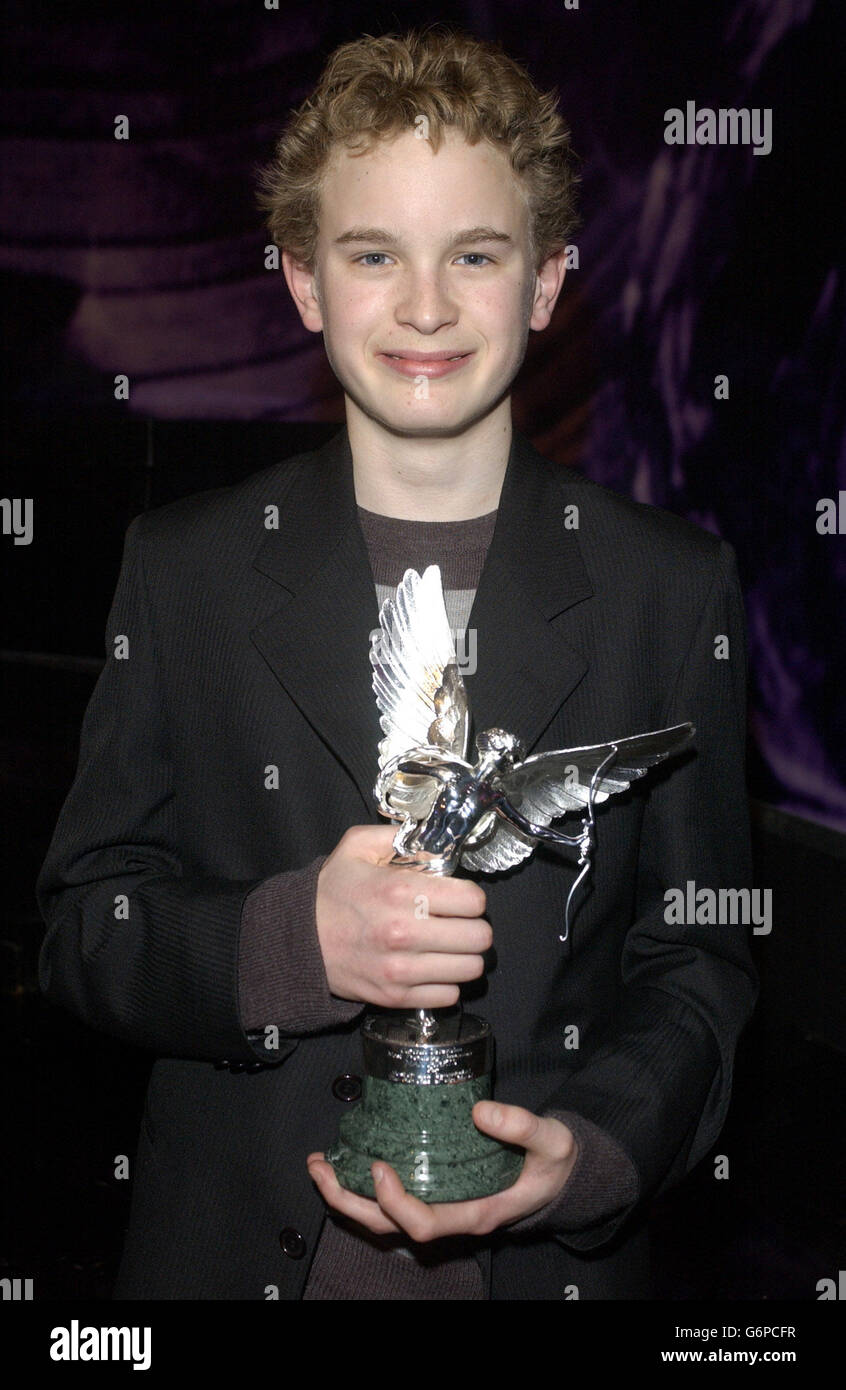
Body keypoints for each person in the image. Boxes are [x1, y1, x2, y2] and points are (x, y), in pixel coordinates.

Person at [36, 28, 757, 1300]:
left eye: (475, 255)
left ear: (545, 283)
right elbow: (87, 925)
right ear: (306, 282)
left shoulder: (670, 586)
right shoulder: (185, 569)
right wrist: (283, 943)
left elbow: (697, 957)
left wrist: (596, 1152)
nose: (426, 307)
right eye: (374, 256)